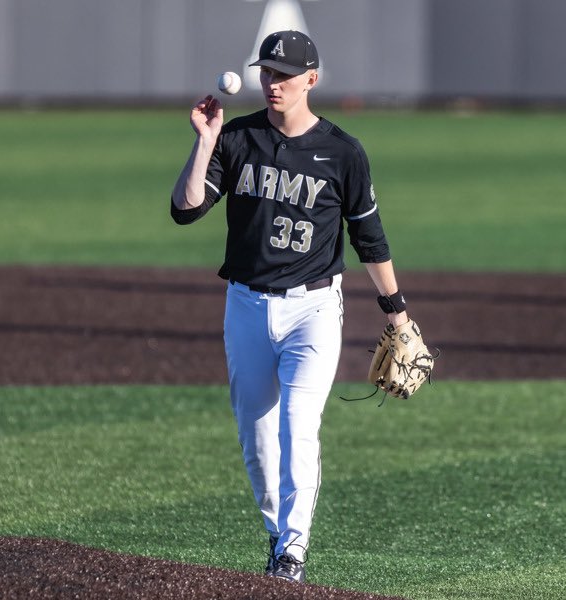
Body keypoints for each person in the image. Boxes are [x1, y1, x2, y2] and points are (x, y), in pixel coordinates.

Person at [170, 30, 412, 584]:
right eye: (267, 72)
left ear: (311, 79)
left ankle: (292, 554)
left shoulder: (343, 152)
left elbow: (368, 236)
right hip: (246, 307)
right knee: (257, 443)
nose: (272, 83)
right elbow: (185, 210)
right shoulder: (237, 138)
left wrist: (396, 311)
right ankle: (278, 539)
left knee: (298, 429)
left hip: (314, 311)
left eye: (283, 74)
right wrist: (205, 139)